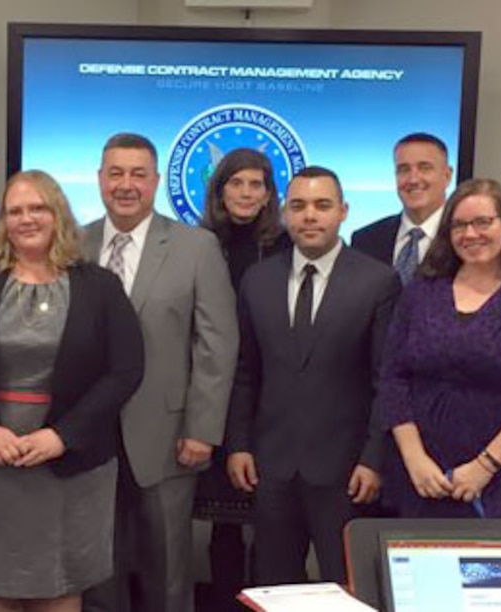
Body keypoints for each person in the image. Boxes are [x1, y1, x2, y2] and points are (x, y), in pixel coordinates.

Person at [0, 170, 143, 612]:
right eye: (15, 210)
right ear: (3, 221)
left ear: (57, 213)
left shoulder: (99, 287)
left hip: (69, 463)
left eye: (37, 207)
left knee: (59, 589)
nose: (27, 218)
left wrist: (62, 436)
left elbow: (126, 370)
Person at [82, 133, 239, 612]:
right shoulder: (74, 243)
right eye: (115, 173)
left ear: (155, 181)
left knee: (167, 574)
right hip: (87, 440)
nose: (125, 185)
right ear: (100, 180)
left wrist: (203, 430)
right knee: (95, 572)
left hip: (169, 436)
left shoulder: (196, 246)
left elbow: (217, 343)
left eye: (137, 174)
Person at [226, 166, 399, 585]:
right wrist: (239, 444)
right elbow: (245, 370)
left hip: (346, 471)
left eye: (322, 205)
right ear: (284, 213)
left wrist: (374, 459)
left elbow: (387, 381)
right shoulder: (258, 280)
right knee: (272, 585)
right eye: (298, 206)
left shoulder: (378, 281)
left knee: (348, 586)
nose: (309, 216)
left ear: (343, 211)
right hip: (271, 467)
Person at [375, 178, 501, 519]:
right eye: (459, 225)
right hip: (423, 476)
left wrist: (485, 466)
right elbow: (392, 378)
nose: (470, 234)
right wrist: (414, 458)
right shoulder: (421, 293)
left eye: (483, 222)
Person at [195, 147, 290, 610]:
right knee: (223, 523)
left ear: (270, 193)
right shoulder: (197, 242)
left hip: (270, 396)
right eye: (237, 183)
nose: (246, 193)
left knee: (271, 522)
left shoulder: (289, 245)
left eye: (257, 184)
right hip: (213, 392)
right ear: (220, 189)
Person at [351, 133, 453, 284]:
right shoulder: (365, 240)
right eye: (404, 169)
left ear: (447, 176)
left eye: (424, 168)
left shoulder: (462, 239)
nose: (413, 179)